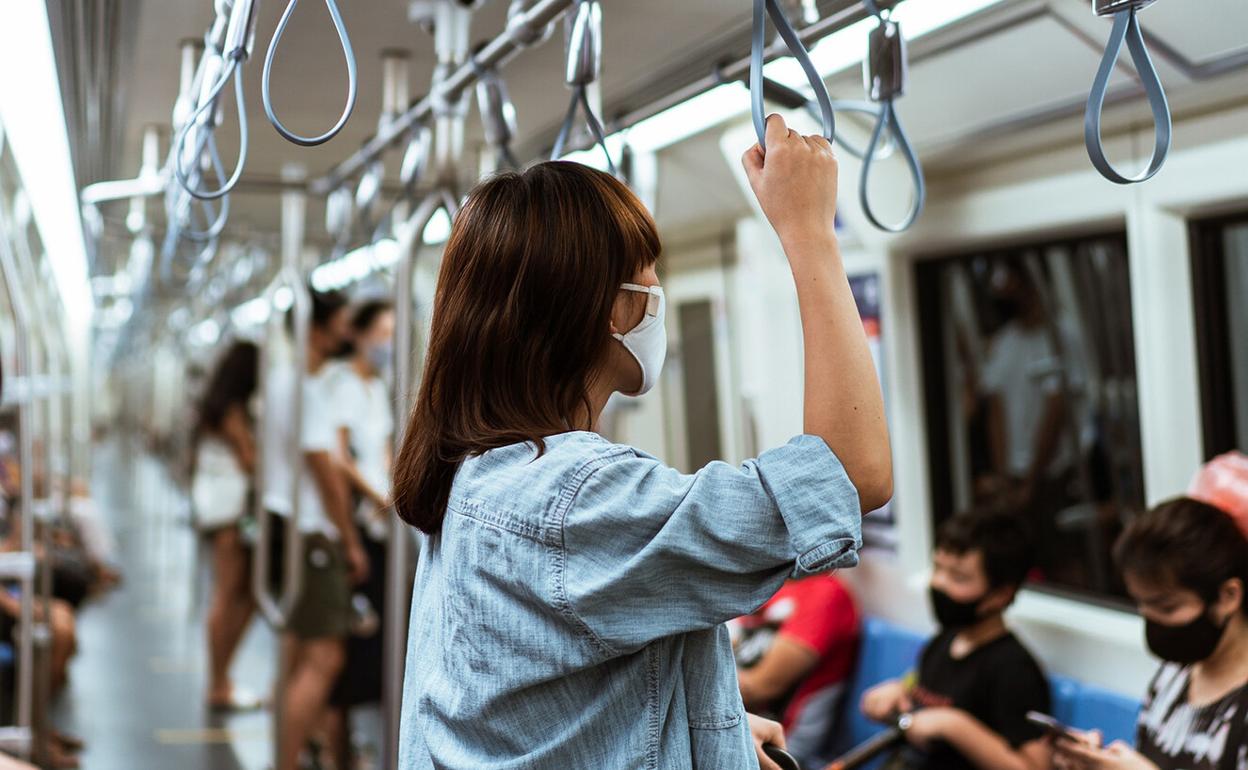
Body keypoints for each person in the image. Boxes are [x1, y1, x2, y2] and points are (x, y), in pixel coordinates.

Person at [393, 114, 892, 770]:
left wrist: (716, 731)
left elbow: (549, 711)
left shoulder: (478, 471)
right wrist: (808, 235)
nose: (658, 290)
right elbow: (853, 474)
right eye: (649, 270)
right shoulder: (575, 498)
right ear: (611, 306)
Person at [1054, 496, 1248, 770]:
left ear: (1228, 597)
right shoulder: (1174, 676)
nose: (1152, 621)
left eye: (1167, 608)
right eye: (1141, 605)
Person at [261, 287, 369, 770]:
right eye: (340, 322)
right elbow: (325, 474)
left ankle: (293, 749)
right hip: (312, 532)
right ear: (319, 329)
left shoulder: (286, 380)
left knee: (299, 649)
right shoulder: (303, 389)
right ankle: (285, 760)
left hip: (289, 524)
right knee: (325, 658)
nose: (347, 332)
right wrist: (349, 540)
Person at [858, 509, 1051, 770]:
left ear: (1000, 595)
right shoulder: (945, 641)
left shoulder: (1013, 669)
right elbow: (921, 685)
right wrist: (898, 691)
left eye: (958, 577)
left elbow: (1035, 766)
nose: (939, 583)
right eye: (937, 567)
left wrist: (955, 726)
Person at [323, 299, 396, 767]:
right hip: (360, 518)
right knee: (353, 638)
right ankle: (337, 746)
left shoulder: (379, 387)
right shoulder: (344, 385)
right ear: (361, 335)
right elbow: (340, 457)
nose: (388, 343)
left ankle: (350, 745)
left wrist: (395, 489)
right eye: (383, 334)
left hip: (383, 519)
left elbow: (384, 450)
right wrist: (376, 494)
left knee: (379, 635)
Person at [191, 339, 261, 711]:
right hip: (227, 508)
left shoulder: (216, 407)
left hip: (219, 505)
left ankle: (222, 677)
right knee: (227, 593)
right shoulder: (233, 412)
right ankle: (217, 682)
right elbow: (250, 459)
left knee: (244, 593)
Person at [733, 573, 860, 768]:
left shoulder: (824, 594)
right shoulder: (770, 584)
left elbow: (757, 689)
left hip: (776, 744)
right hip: (739, 725)